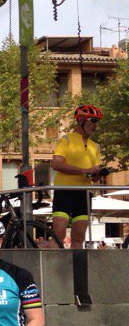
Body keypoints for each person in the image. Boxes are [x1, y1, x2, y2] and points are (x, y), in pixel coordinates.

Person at [51, 103, 104, 249]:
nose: (96, 125)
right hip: (64, 190)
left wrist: (97, 175)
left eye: (98, 122)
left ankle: (77, 270)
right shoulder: (66, 140)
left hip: (84, 193)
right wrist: (85, 170)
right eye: (93, 121)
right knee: (59, 234)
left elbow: (92, 176)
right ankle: (51, 269)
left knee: (79, 236)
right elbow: (56, 164)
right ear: (81, 120)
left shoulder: (95, 146)